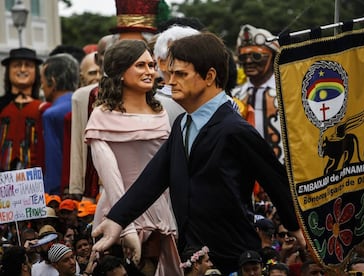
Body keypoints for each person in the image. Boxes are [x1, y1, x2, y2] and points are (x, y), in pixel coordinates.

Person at [91, 32, 304, 275]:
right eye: (170, 74)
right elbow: (152, 179)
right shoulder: (182, 123)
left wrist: (296, 227)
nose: (170, 82)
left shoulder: (235, 128)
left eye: (181, 74)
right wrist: (116, 220)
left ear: (209, 77)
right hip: (192, 257)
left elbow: (274, 179)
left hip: (234, 258)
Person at [85, 39, 181, 274]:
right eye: (140, 65)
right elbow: (110, 177)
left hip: (160, 216)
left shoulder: (161, 112)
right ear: (119, 71)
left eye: (151, 65)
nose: (150, 71)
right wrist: (125, 228)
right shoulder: (101, 115)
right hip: (114, 214)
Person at [69, 34, 118, 201]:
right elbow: (79, 143)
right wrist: (76, 187)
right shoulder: (85, 96)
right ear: (98, 58)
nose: (113, 58)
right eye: (107, 53)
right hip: (98, 183)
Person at [231, 24, 283, 163]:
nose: (248, 61)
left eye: (256, 56)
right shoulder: (234, 96)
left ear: (272, 56)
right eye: (243, 57)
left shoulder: (288, 93)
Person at [0, 47, 45, 171]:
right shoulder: (1, 106)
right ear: (8, 71)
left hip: (34, 177)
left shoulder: (43, 108)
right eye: (17, 65)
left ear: (36, 72)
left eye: (28, 65)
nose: (23, 69)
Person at [40, 53, 79, 195]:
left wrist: (50, 195)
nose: (41, 86)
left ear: (53, 81)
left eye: (42, 80)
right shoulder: (85, 105)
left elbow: (53, 160)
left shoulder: (51, 115)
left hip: (61, 192)